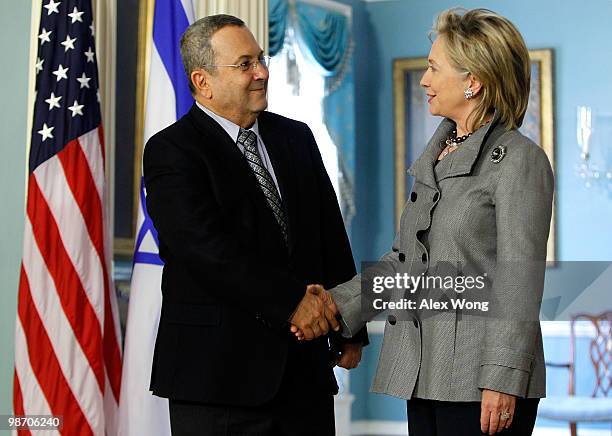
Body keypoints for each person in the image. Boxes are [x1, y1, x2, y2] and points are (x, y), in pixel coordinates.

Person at [292, 8, 553, 436]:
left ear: (474, 81)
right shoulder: (435, 157)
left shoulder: (519, 160)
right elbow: (403, 262)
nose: (424, 80)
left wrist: (502, 379)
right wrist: (336, 305)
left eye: (434, 68)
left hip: (483, 384)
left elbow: (518, 281)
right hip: (425, 372)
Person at [143, 14, 368, 436]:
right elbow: (206, 251)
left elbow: (329, 235)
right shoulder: (171, 151)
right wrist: (292, 303)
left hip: (304, 377)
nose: (262, 72)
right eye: (244, 64)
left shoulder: (296, 137)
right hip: (219, 380)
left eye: (260, 60)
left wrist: (349, 324)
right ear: (202, 81)